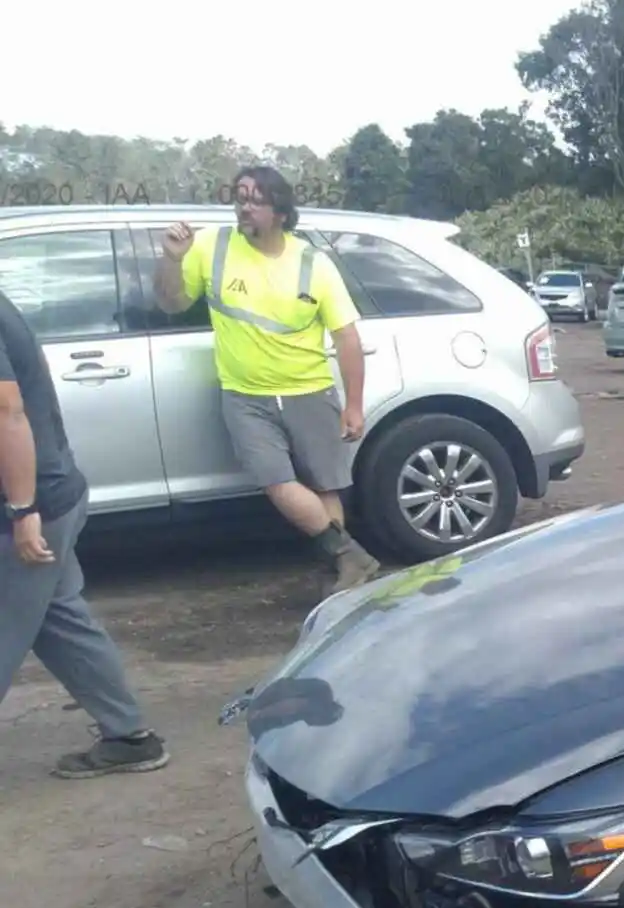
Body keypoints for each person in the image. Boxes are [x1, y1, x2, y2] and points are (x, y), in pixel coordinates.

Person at [151, 165, 381, 593]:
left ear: (279, 210)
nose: (244, 207)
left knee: (325, 485)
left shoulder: (313, 264)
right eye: (239, 197)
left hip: (309, 389)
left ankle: (344, 570)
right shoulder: (211, 245)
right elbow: (171, 303)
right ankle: (349, 556)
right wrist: (171, 259)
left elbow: (346, 337)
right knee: (275, 480)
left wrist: (353, 404)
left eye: (256, 200)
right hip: (246, 395)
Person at [0, 289, 169, 778]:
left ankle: (130, 735)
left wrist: (23, 509)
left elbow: (7, 412)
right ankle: (129, 737)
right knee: (61, 622)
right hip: (54, 492)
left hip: (32, 506)